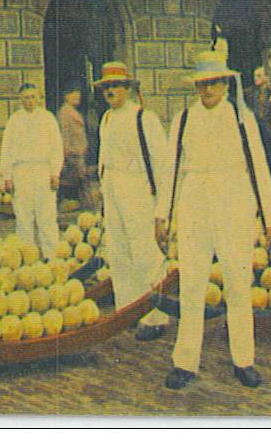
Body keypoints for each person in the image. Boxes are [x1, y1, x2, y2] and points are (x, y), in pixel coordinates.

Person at [155, 45, 271, 390]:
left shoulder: (242, 120)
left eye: (214, 83)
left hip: (233, 204)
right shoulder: (182, 121)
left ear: (226, 84)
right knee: (192, 283)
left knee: (238, 283)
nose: (208, 90)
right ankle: (185, 362)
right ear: (195, 87)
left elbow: (259, 169)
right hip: (195, 204)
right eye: (202, 84)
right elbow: (171, 172)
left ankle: (243, 360)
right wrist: (161, 215)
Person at [94, 61, 170, 341]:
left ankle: (155, 317)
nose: (110, 91)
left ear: (127, 88)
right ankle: (127, 311)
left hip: (138, 188)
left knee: (144, 251)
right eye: (106, 87)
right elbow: (103, 159)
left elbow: (161, 163)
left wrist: (162, 205)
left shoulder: (143, 118)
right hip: (113, 188)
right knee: (119, 251)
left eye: (115, 86)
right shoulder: (106, 119)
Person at [0, 83, 64, 260]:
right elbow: (7, 149)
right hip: (21, 172)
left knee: (47, 216)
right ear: (20, 100)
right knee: (24, 217)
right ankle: (28, 258)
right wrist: (7, 176)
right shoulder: (14, 121)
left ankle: (51, 256)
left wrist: (55, 173)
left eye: (32, 97)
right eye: (26, 98)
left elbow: (56, 147)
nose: (29, 101)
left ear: (39, 98)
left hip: (43, 171)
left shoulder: (48, 118)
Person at [56, 86, 90, 209]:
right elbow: (64, 133)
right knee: (75, 179)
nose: (78, 98)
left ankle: (80, 204)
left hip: (78, 150)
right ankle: (74, 204)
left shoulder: (73, 111)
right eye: (74, 96)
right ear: (66, 96)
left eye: (78, 96)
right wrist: (66, 150)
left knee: (78, 179)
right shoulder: (65, 112)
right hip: (72, 152)